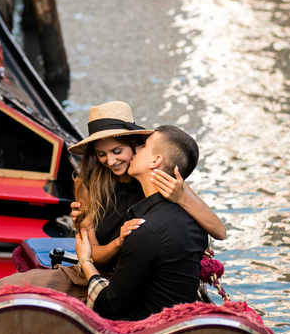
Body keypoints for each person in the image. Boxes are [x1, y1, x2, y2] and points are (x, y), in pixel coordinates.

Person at [0, 101, 224, 298]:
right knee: (7, 290)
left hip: (145, 283)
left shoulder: (159, 180)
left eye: (117, 151)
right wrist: (119, 241)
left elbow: (219, 231)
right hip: (98, 274)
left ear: (136, 147)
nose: (110, 161)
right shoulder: (87, 185)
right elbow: (90, 253)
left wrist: (181, 196)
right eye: (102, 154)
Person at [76, 125, 209, 320]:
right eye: (101, 154)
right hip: (174, 321)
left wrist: (85, 260)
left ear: (156, 160)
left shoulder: (142, 230)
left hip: (145, 333)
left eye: (143, 146)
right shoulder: (193, 223)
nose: (137, 150)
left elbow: (109, 306)